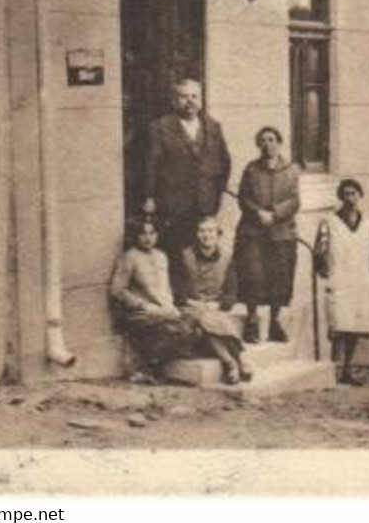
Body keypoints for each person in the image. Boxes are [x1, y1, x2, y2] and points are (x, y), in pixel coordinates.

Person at [109, 218, 244, 384]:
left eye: (152, 233)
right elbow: (117, 290)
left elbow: (166, 290)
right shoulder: (129, 257)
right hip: (144, 313)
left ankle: (232, 362)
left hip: (168, 311)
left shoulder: (162, 256)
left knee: (204, 319)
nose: (147, 238)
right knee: (194, 324)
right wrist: (144, 305)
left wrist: (170, 306)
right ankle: (234, 362)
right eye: (142, 234)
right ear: (136, 236)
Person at [142, 79, 232, 265]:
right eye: (184, 97)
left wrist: (216, 191)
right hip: (174, 203)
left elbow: (225, 162)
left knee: (203, 249)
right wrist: (150, 196)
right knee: (176, 250)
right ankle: (178, 293)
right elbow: (151, 164)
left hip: (205, 202)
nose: (190, 101)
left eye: (194, 96)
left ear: (201, 100)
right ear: (174, 101)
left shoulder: (213, 127)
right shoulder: (160, 127)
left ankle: (200, 292)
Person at [233, 126, 301, 345]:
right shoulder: (251, 170)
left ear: (279, 143)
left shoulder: (291, 170)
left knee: (279, 278)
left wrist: (276, 214)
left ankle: (275, 322)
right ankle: (252, 322)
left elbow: (294, 200)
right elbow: (243, 198)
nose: (267, 144)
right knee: (252, 275)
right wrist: (258, 213)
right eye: (262, 140)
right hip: (253, 232)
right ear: (258, 144)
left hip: (281, 233)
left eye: (271, 139)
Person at [316, 178, 369, 386]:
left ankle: (347, 369)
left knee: (356, 326)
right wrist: (324, 269)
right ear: (340, 197)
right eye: (346, 194)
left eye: (353, 193)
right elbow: (320, 249)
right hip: (340, 277)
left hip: (360, 278)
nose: (350, 198)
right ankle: (335, 368)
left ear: (360, 195)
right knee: (339, 326)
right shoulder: (330, 222)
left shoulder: (367, 222)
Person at [176, 216, 252, 383]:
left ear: (218, 234)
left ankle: (231, 364)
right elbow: (177, 288)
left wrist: (217, 304)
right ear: (196, 234)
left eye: (210, 231)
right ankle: (239, 359)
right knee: (204, 318)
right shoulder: (185, 256)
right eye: (202, 231)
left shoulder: (227, 257)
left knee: (210, 319)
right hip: (191, 307)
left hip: (214, 308)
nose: (206, 235)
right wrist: (191, 302)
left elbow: (232, 292)